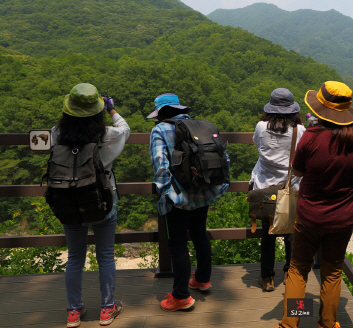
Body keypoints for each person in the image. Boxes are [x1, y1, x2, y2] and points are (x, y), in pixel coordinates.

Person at [279, 81, 353, 328]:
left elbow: (299, 171)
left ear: (319, 109)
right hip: (342, 219)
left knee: (298, 269)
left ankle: (291, 323)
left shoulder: (311, 138)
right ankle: (327, 323)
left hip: (309, 217)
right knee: (332, 271)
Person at [52, 83, 129, 327]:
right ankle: (107, 309)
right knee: (105, 256)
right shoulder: (107, 135)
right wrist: (112, 110)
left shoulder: (57, 133)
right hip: (101, 200)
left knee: (75, 257)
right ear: (97, 110)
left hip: (67, 200)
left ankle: (73, 312)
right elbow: (125, 129)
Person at [147, 93, 229, 312]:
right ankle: (202, 280)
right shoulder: (201, 125)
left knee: (178, 244)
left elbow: (160, 165)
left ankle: (181, 297)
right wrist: (218, 187)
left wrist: (167, 194)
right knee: (199, 233)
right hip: (205, 190)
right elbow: (224, 158)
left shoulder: (160, 130)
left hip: (178, 197)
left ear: (162, 113)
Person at [250, 88, 306, 291]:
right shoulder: (299, 130)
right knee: (291, 232)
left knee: (269, 232)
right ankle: (290, 273)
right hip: (290, 188)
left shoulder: (260, 126)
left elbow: (257, 146)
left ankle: (267, 278)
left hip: (265, 187)